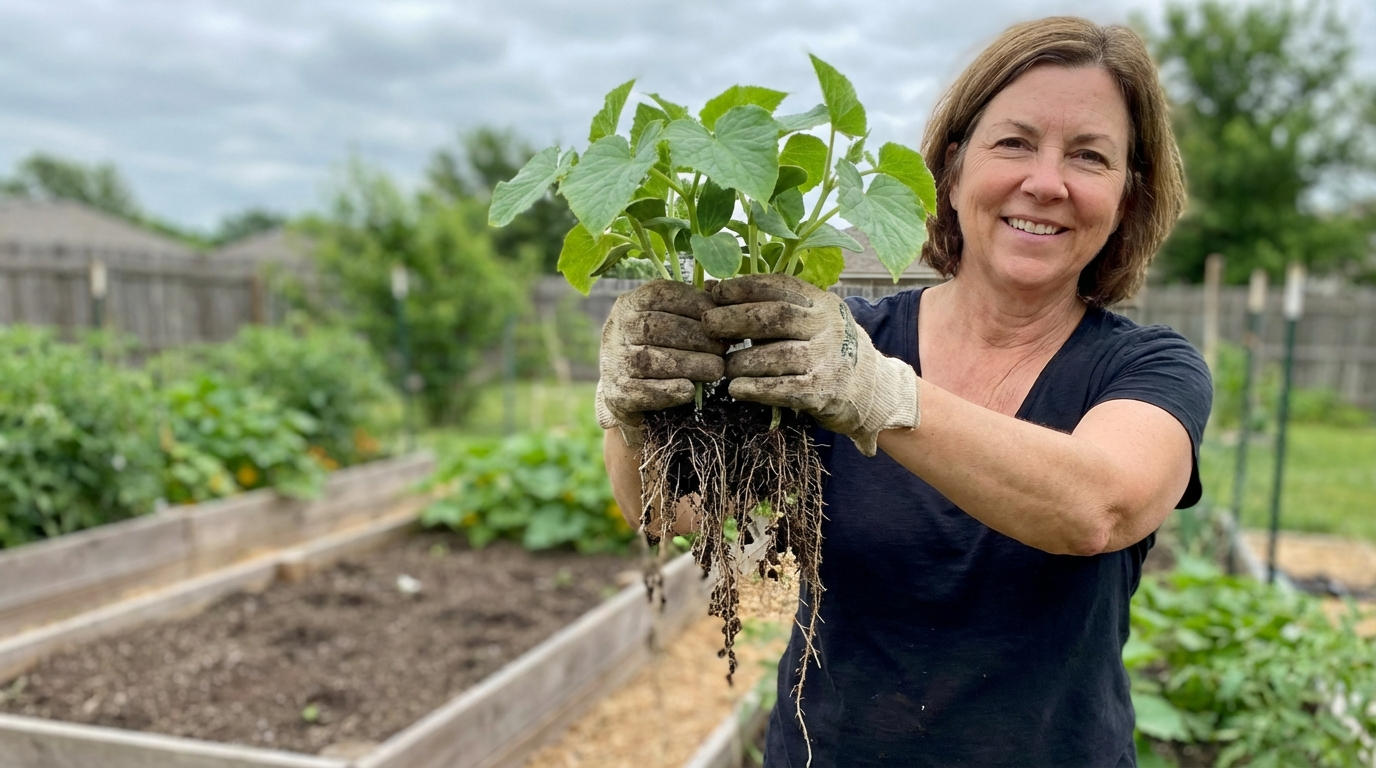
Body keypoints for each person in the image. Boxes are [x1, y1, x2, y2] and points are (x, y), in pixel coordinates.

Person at [597, 16, 1211, 767]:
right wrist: (634, 414)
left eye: (1089, 156)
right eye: (1014, 143)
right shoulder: (845, 343)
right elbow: (672, 510)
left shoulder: (1149, 368)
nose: (1046, 183)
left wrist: (881, 394)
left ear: (1127, 196)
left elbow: (1099, 508)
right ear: (953, 168)